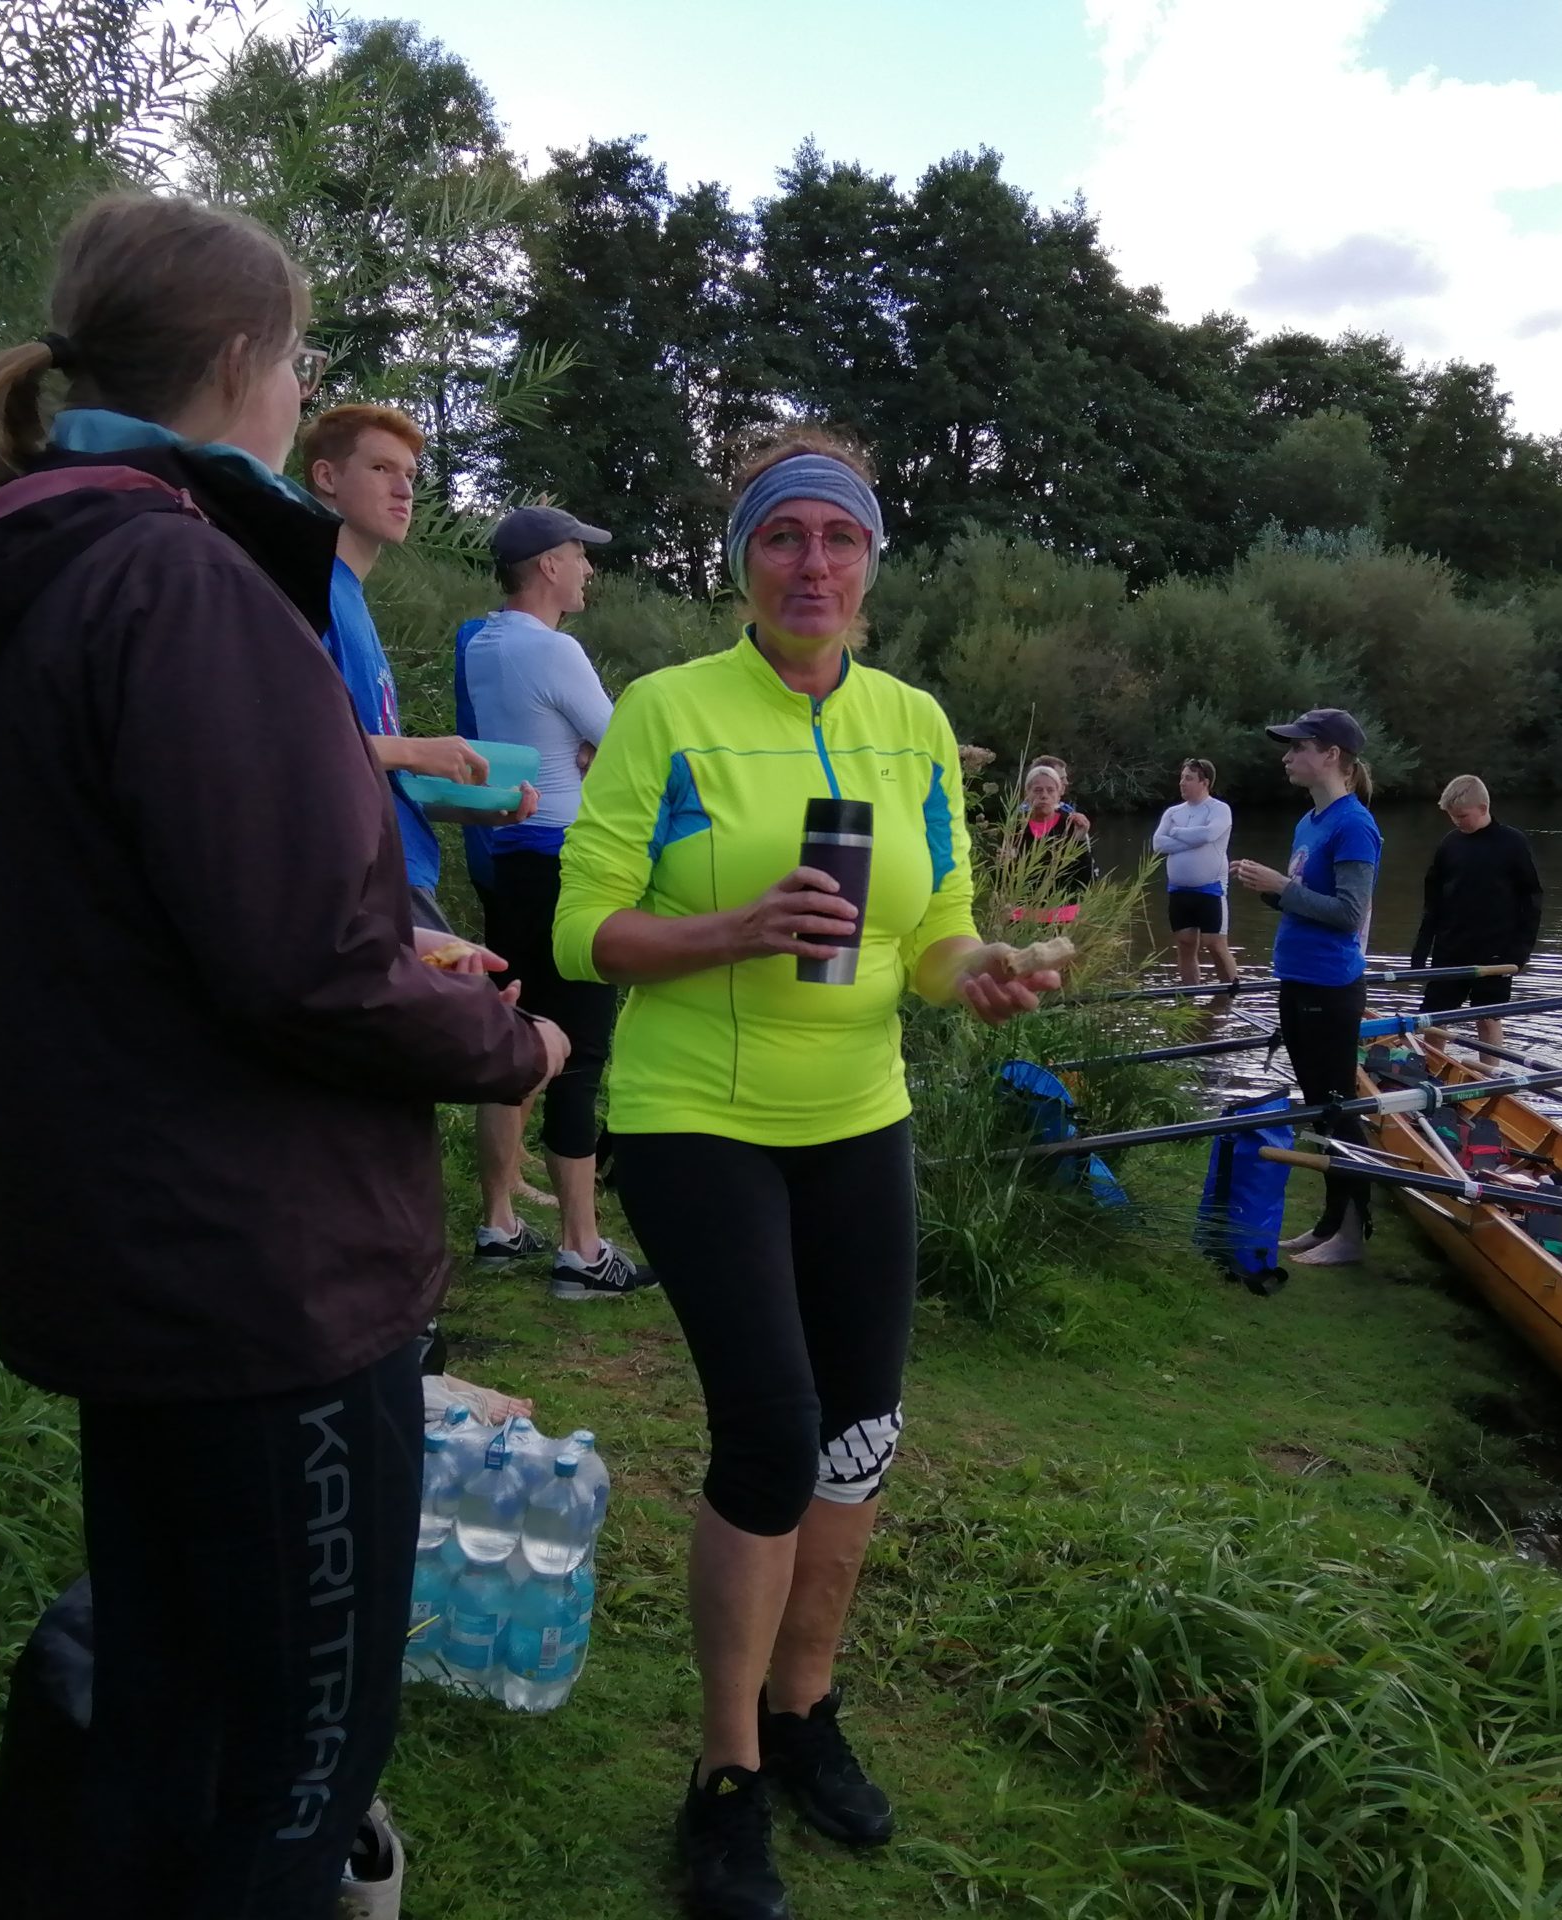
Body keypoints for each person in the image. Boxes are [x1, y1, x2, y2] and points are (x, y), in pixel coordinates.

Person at [0, 193, 566, 1920]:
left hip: (134, 1252)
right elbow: (303, 972)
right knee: (291, 1761)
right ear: (248, 360)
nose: (300, 385)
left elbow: (161, 918)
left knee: (165, 1721)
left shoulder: (46, 562)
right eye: (300, 357)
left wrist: (376, 940)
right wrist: (507, 1036)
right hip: (267, 1287)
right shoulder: (181, 576)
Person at [553, 428, 1059, 1920]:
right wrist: (730, 929)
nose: (813, 565)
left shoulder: (913, 723)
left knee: (862, 1434)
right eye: (784, 538)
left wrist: (979, 972)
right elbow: (583, 928)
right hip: (696, 1115)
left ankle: (803, 1708)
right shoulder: (669, 709)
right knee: (772, 1435)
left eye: (840, 539)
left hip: (858, 1116)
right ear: (744, 563)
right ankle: (724, 1775)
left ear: (872, 564)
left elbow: (932, 928)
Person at [454, 504, 655, 1299]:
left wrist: (587, 745)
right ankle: (582, 1250)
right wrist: (593, 749)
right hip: (567, 863)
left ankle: (499, 1222)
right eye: (579, 555)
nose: (587, 569)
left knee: (515, 1035)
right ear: (547, 566)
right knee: (582, 1052)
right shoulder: (553, 648)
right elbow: (627, 748)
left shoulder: (483, 643)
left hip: (508, 858)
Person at [301, 402, 536, 936]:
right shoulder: (311, 591)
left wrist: (469, 804)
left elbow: (360, 762)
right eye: (381, 468)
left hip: (395, 863)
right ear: (327, 477)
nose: (404, 490)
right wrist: (416, 751)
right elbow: (295, 746)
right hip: (364, 873)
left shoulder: (348, 595)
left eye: (410, 475)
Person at [1231, 707, 1382, 1271]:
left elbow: (1348, 913)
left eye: (1299, 747)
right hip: (1297, 977)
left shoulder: (1354, 825)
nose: (1288, 757)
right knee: (1321, 1109)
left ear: (1331, 755)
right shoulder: (1309, 822)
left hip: (1330, 985)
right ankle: (1328, 1223)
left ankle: (1352, 1233)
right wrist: (1268, 888)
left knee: (1339, 1109)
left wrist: (1283, 887)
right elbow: (1304, 901)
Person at [1410, 774, 1543, 1054]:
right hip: (1450, 948)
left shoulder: (1512, 843)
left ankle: (1488, 1074)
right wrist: (1422, 947)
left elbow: (1531, 900)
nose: (1457, 822)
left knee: (1488, 1017)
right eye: (1452, 817)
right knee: (1434, 1017)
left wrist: (1520, 953)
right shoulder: (1449, 845)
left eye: (1462, 816)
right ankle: (1432, 1068)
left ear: (1483, 808)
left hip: (1496, 952)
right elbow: (1432, 901)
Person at [1151, 757, 1240, 986]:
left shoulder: (1219, 809)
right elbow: (1158, 844)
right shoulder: (1173, 812)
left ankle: (1229, 994)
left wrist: (1177, 833)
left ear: (1204, 782)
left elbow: (1208, 835)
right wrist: (1192, 839)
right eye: (1182, 778)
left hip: (1210, 888)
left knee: (1214, 944)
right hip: (1179, 889)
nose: (1182, 783)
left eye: (1189, 778)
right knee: (1185, 943)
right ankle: (1190, 997)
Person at [1002, 761, 1093, 924]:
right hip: (1021, 918)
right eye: (1037, 790)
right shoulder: (1015, 828)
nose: (1044, 795)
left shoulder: (1071, 825)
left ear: (1059, 795)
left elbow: (1087, 880)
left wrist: (1079, 840)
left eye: (1050, 790)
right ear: (1027, 793)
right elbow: (1002, 882)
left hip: (1063, 918)